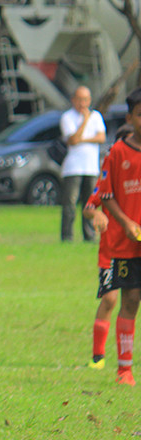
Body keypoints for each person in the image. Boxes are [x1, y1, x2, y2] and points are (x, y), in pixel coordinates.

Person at [94, 88, 141, 385]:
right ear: (130, 117)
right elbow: (105, 194)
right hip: (126, 242)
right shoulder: (118, 153)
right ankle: (124, 369)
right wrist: (124, 222)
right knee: (131, 299)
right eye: (140, 114)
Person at [83, 124, 135, 370]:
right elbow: (89, 206)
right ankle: (98, 356)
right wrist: (96, 217)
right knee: (110, 300)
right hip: (111, 251)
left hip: (133, 248)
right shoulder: (106, 183)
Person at [60, 86, 106, 242]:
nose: (82, 103)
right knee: (70, 204)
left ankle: (89, 236)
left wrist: (83, 139)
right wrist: (85, 120)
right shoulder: (67, 117)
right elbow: (72, 140)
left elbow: (101, 138)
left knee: (90, 205)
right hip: (73, 168)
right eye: (79, 99)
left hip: (91, 168)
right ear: (73, 100)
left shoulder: (97, 116)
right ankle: (67, 236)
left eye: (86, 100)